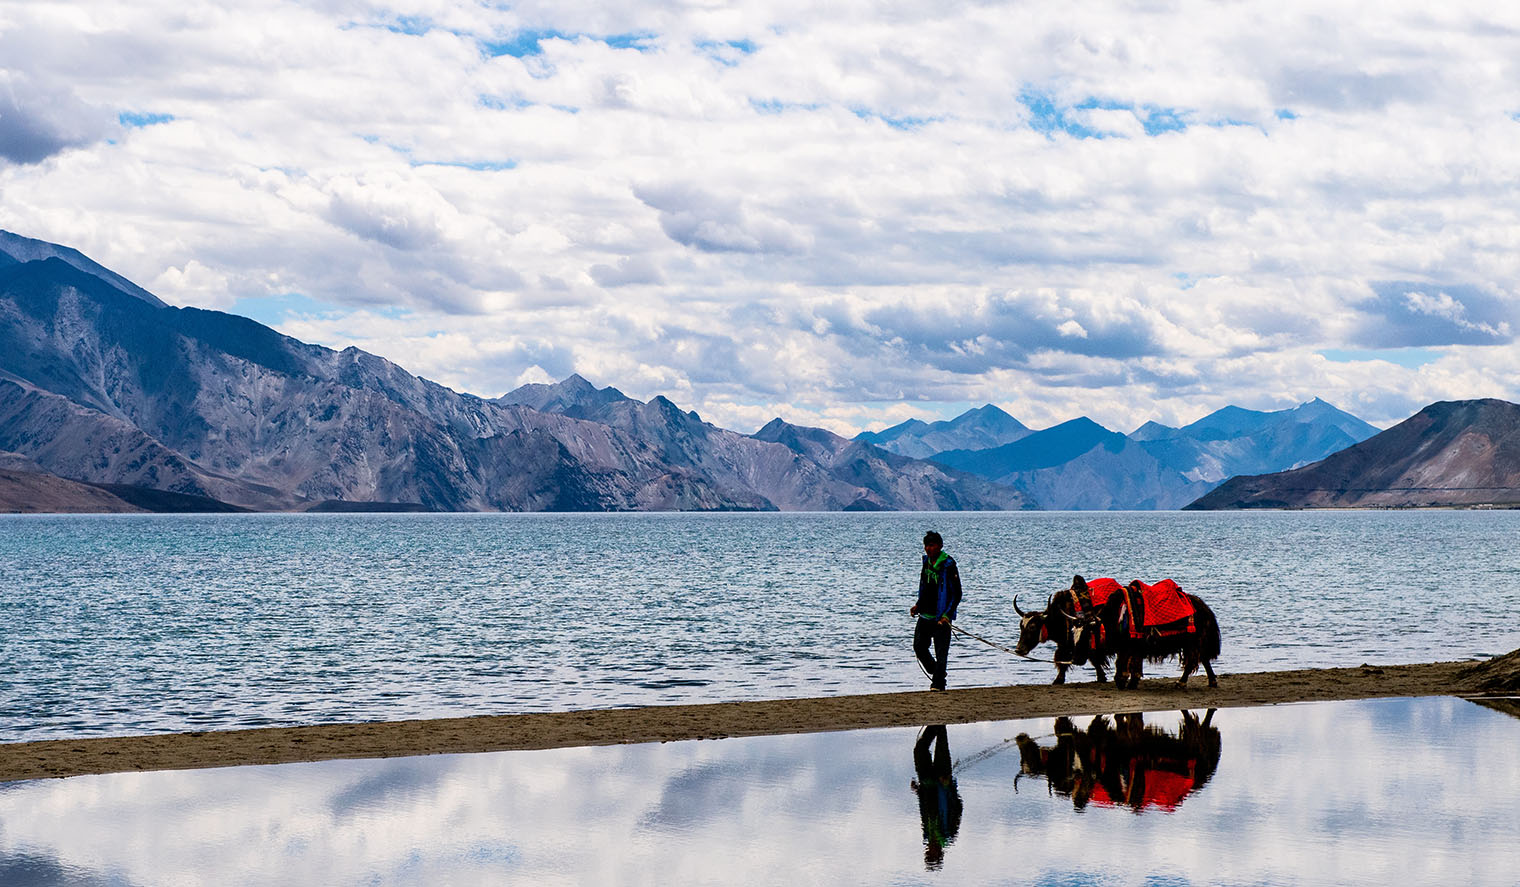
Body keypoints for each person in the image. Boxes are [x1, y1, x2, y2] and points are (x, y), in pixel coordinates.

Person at [909, 530, 961, 691]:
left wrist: (947, 615)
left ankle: (938, 684)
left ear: (940, 546)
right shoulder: (926, 562)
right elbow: (924, 586)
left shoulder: (949, 565)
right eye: (926, 545)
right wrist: (918, 605)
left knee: (941, 652)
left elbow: (957, 593)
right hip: (925, 614)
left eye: (931, 545)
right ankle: (937, 672)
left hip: (941, 617)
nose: (928, 549)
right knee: (919, 647)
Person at [910, 724, 963, 870]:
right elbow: (958, 807)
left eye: (927, 854)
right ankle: (940, 721)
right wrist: (948, 786)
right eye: (930, 854)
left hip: (927, 783)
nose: (928, 851)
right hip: (942, 779)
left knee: (919, 750)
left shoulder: (927, 833)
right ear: (939, 853)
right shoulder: (949, 833)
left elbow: (925, 809)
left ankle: (934, 722)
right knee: (941, 743)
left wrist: (918, 791)